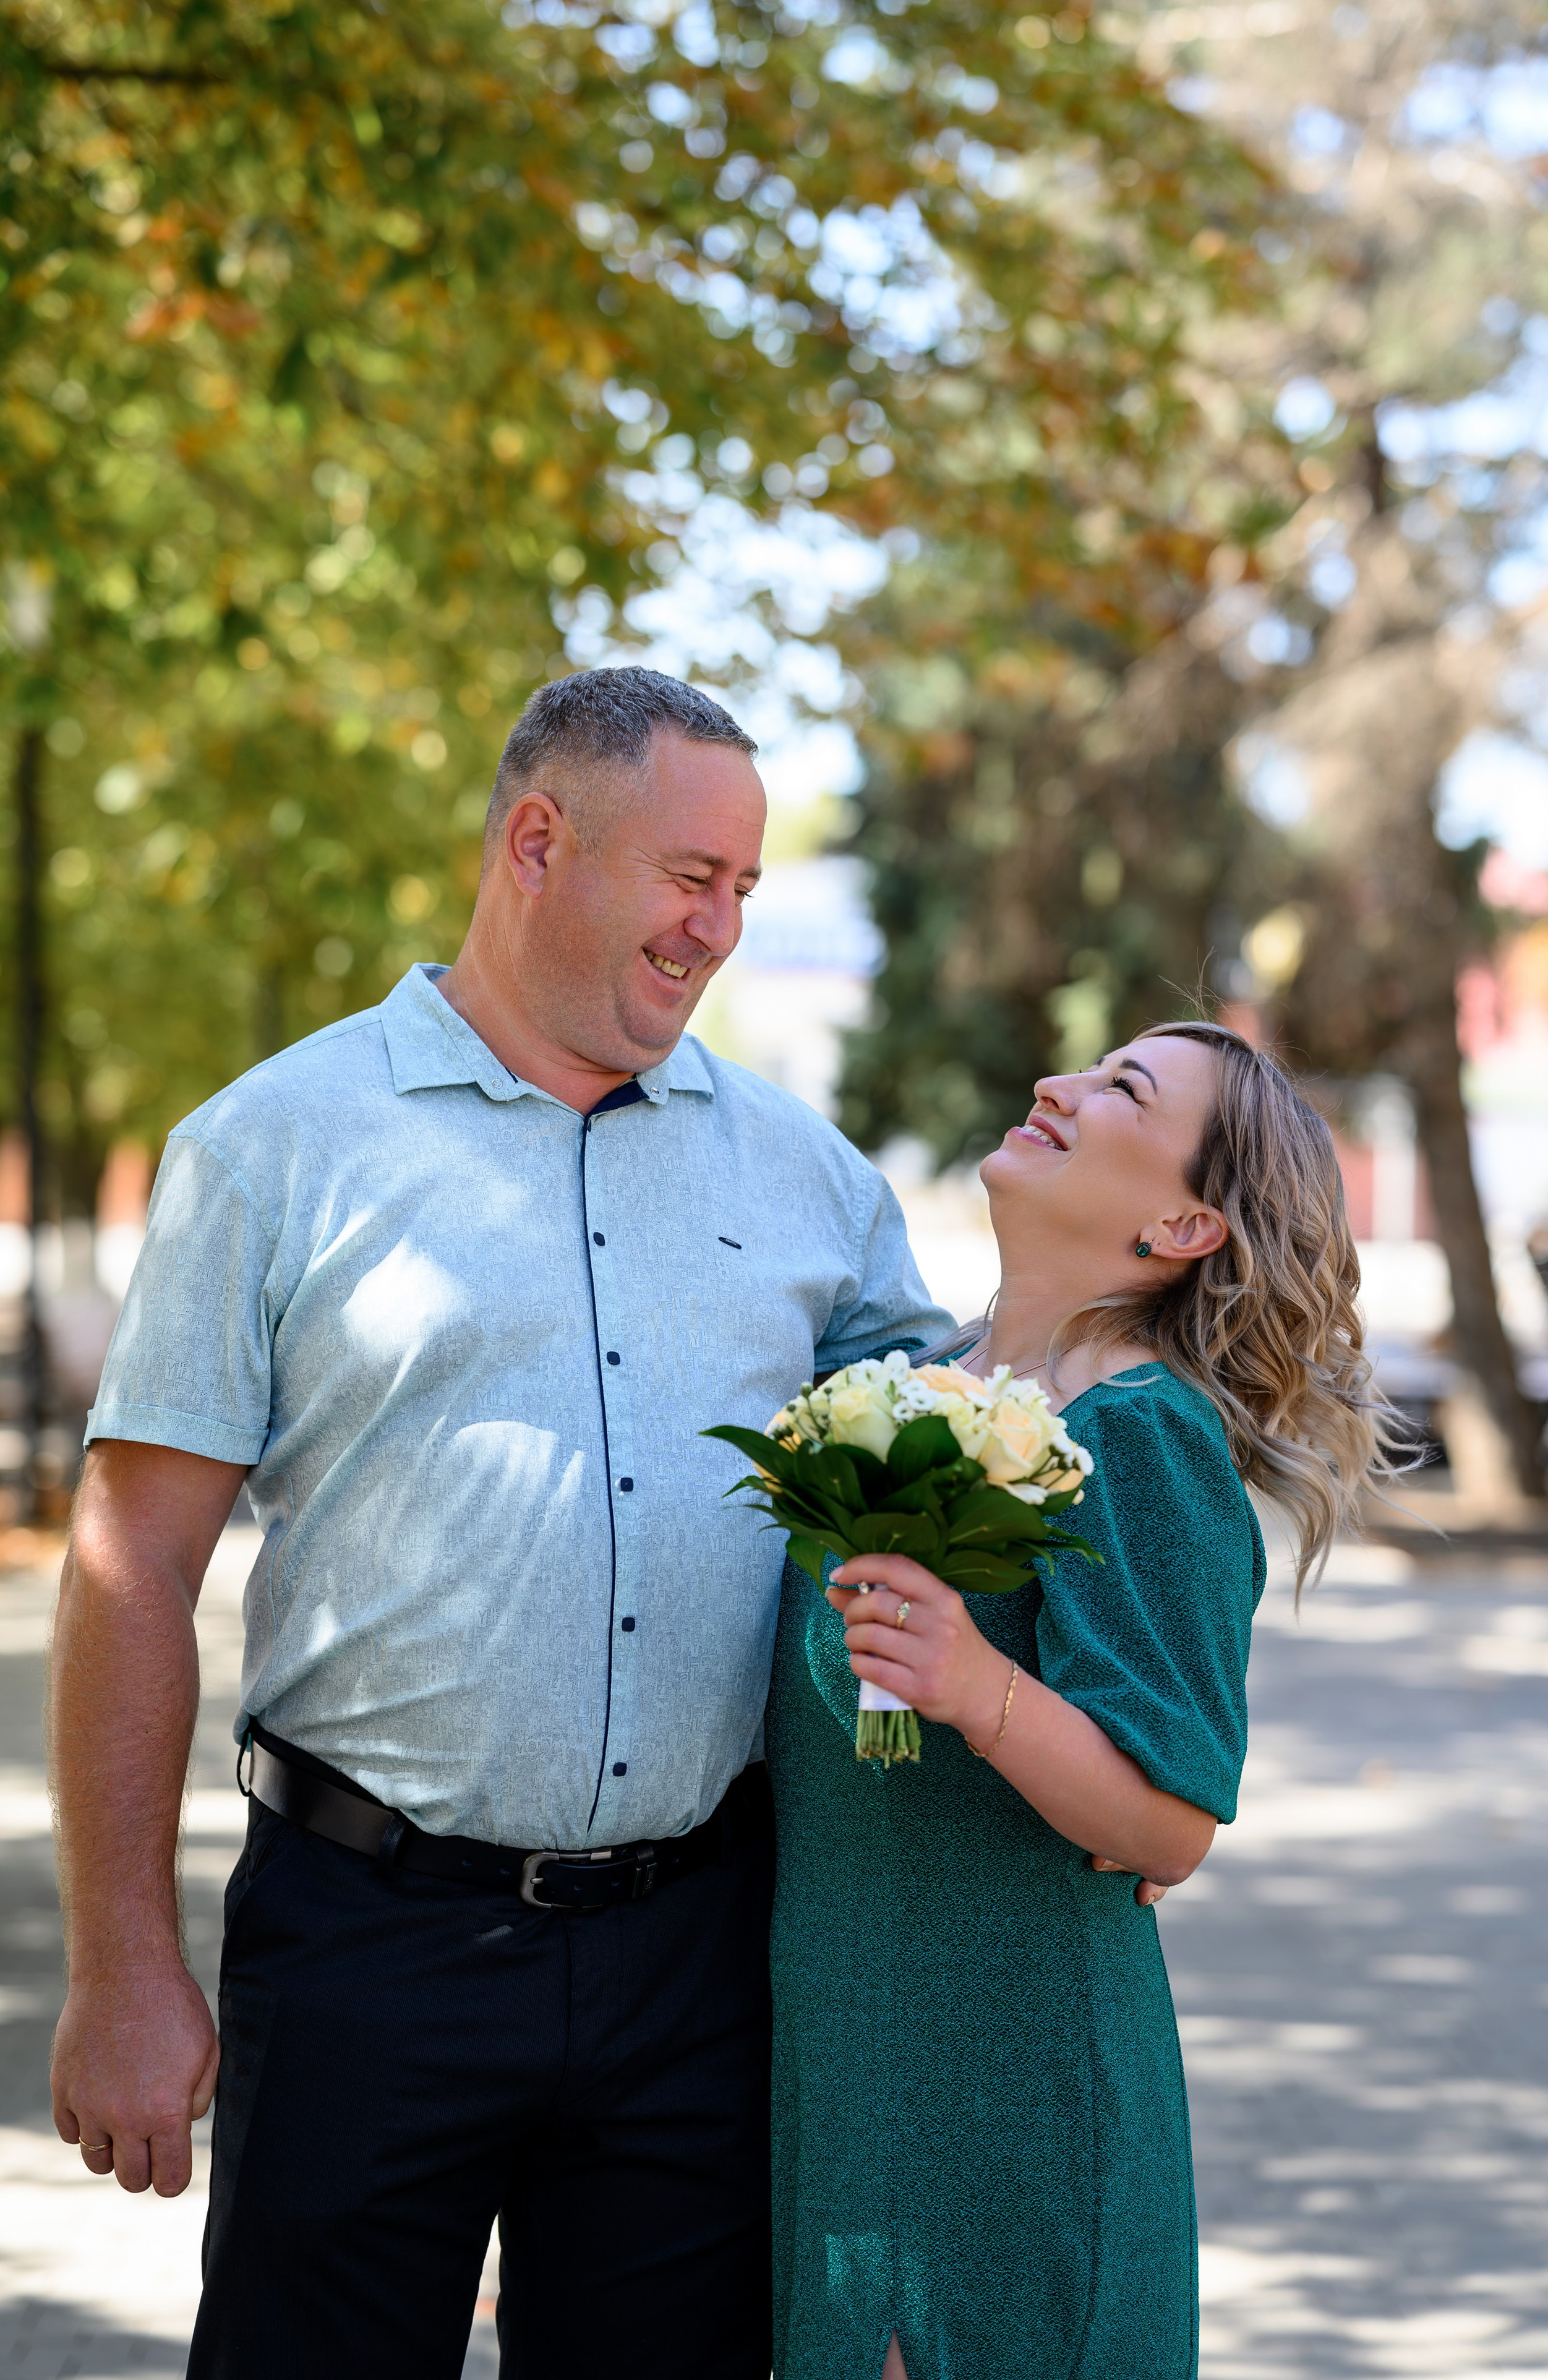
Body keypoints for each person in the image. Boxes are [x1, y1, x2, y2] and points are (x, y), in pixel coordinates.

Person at [48, 666, 952, 2380]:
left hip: (702, 1957)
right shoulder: (273, 1148)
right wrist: (124, 1970)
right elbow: (134, 1565)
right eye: (693, 880)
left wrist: (1095, 1777)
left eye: (746, 893)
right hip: (370, 1939)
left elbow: (961, 1491)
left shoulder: (812, 1177)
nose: (720, 932)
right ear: (539, 840)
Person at [766, 1021, 1395, 2380]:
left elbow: (1168, 1825)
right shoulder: (903, 1387)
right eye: (1081, 1067)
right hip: (839, 2063)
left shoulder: (1141, 1437)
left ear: (1182, 1221)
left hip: (1011, 2089)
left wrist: (977, 1685)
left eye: (1123, 1091)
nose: (1053, 1083)